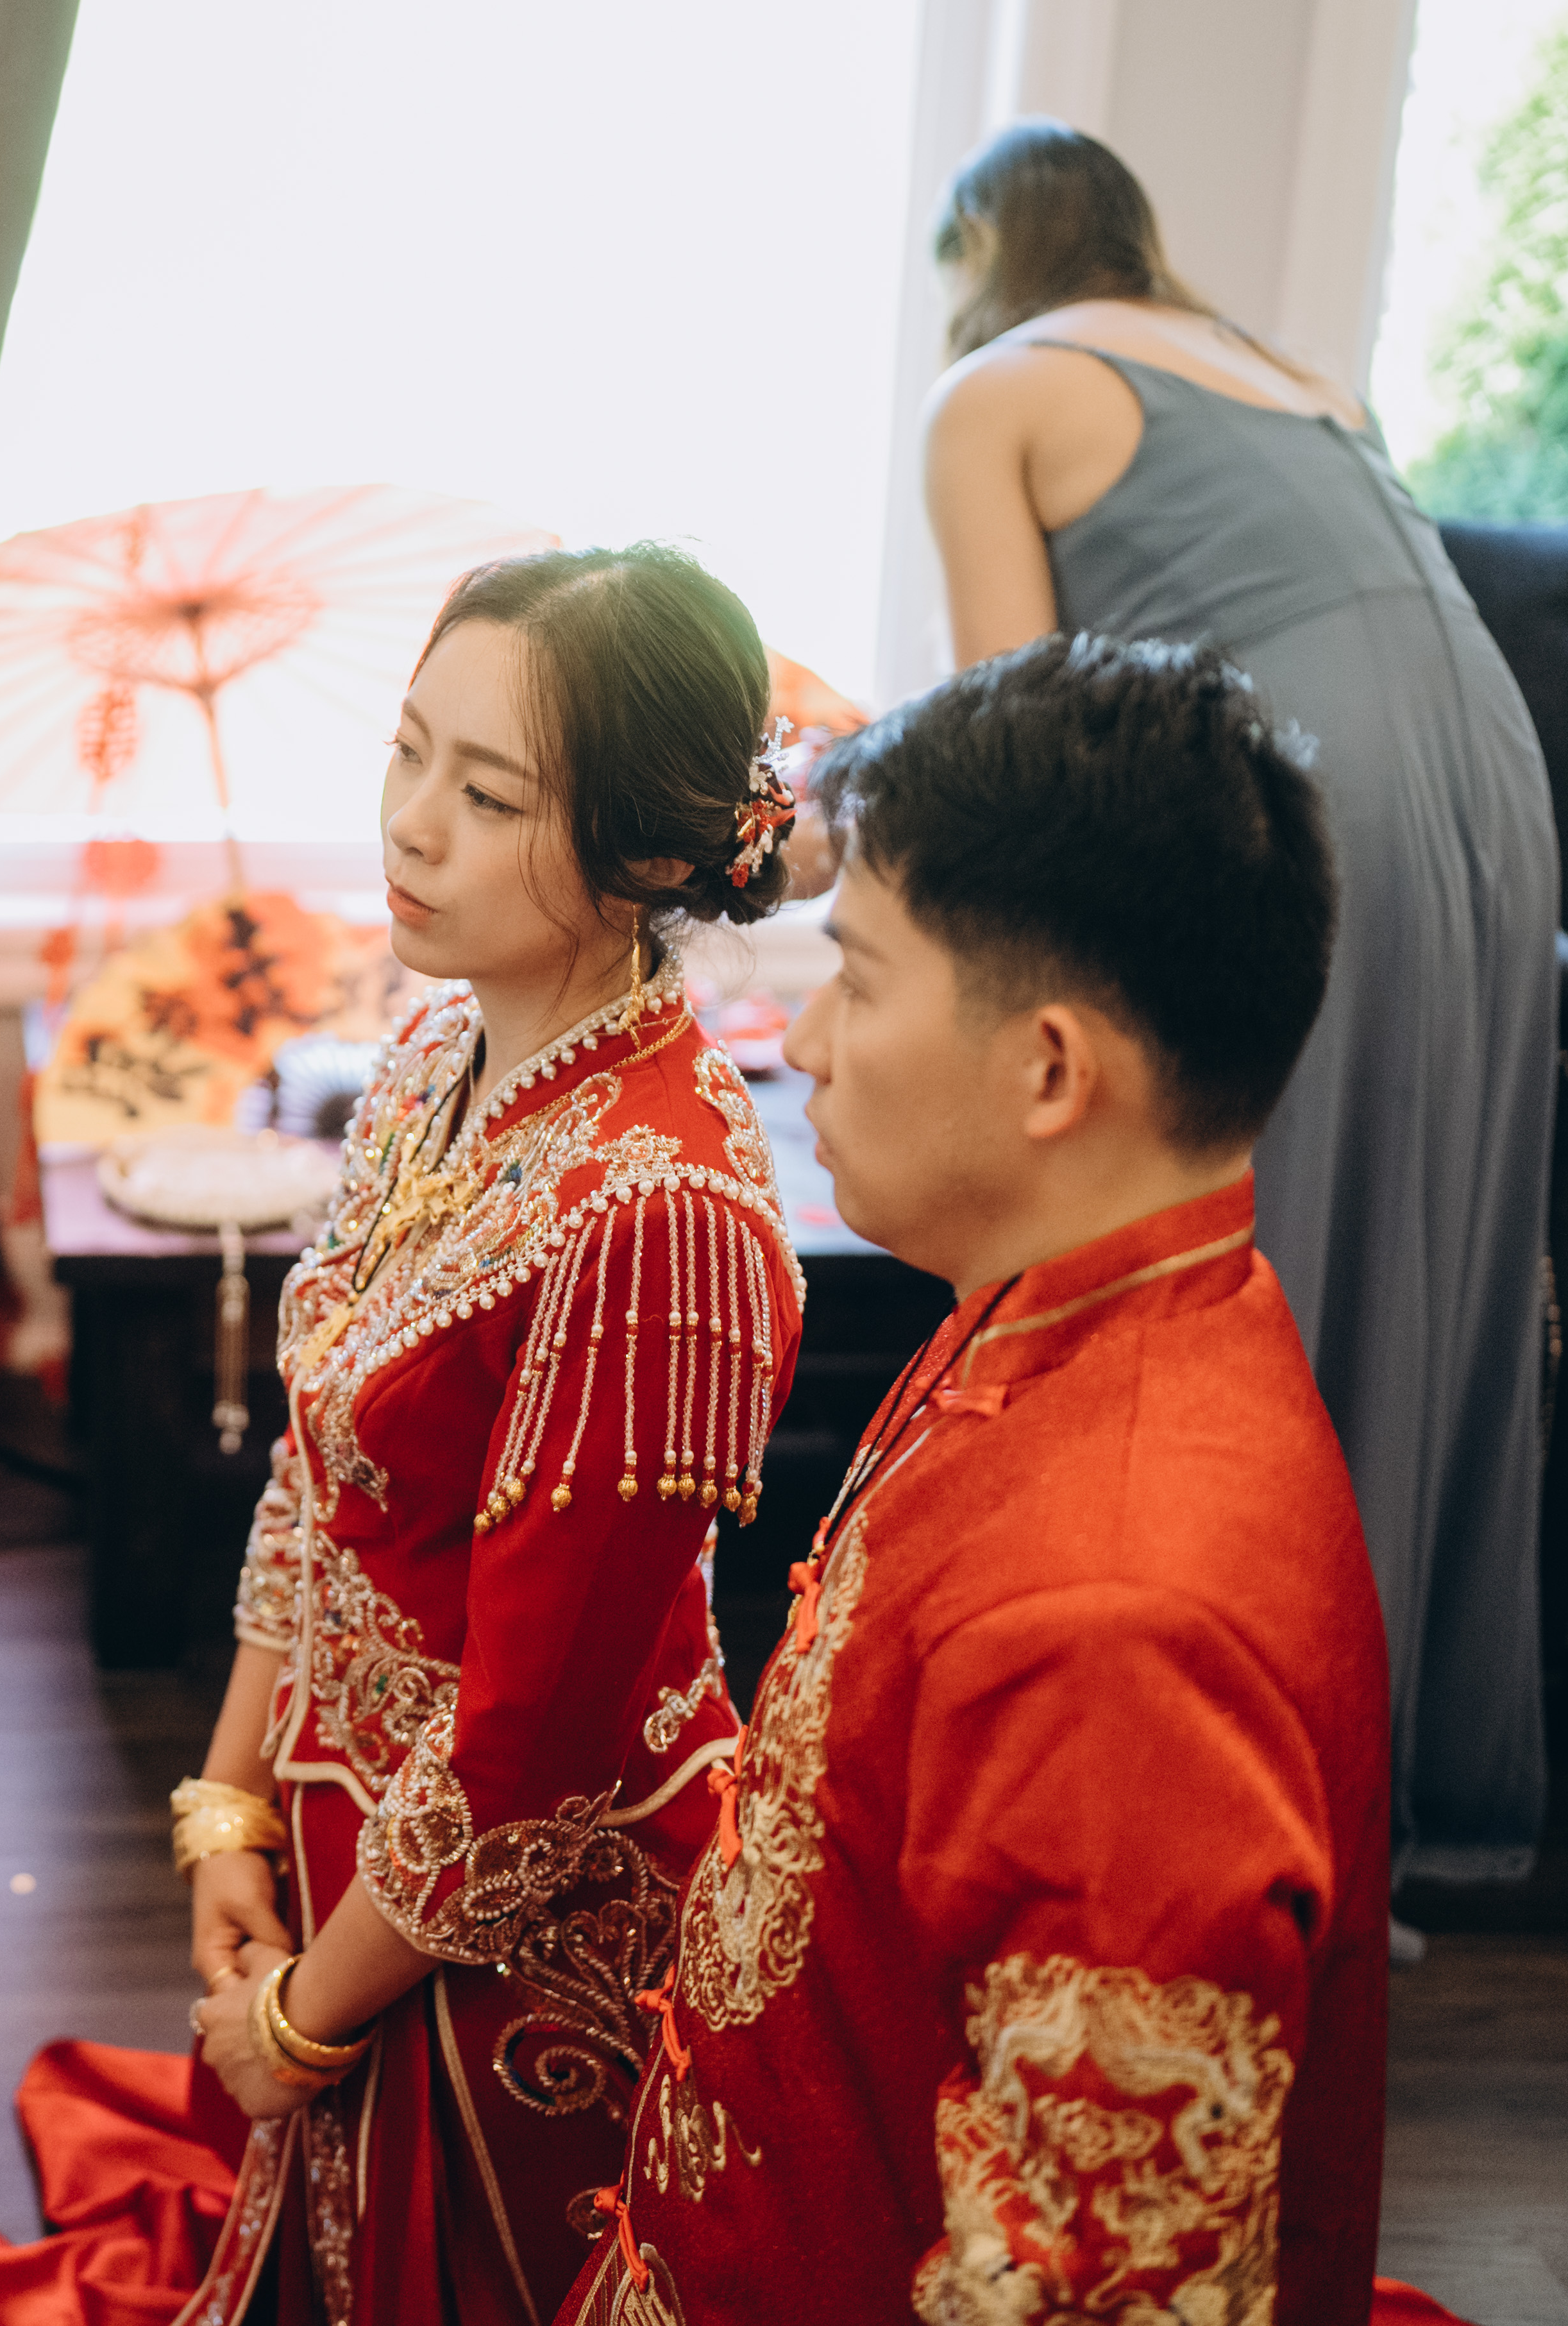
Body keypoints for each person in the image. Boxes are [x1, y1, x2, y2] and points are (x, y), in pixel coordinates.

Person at [0, 547, 809, 2325]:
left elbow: (530, 1752)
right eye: (407, 753)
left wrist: (304, 2018)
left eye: (490, 796)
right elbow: (314, 1474)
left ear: (646, 856)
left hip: (527, 1941)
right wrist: (227, 1803)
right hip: (343, 1829)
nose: (410, 823)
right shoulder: (428, 1051)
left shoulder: (664, 1218)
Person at [562, 635, 1397, 2326]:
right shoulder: (1071, 1293)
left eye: (860, 980)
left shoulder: (1116, 1628)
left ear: (1052, 1070)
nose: (804, 1040)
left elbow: (1093, 2290)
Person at [913, 120, 1558, 1879]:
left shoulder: (996, 392)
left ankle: (1247, 1750)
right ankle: (1384, 1740)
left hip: (1312, 774)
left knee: (1268, 1222)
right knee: (1421, 1225)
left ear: (984, 253)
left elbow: (1014, 735)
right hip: (1492, 779)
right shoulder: (1296, 377)